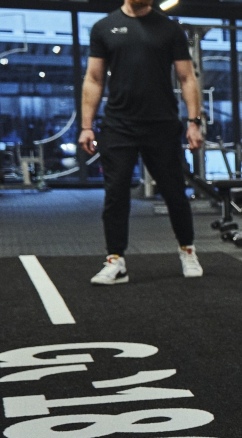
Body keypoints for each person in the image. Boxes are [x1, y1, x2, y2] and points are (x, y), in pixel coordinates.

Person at [81, 0, 205, 286]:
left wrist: (194, 121)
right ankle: (116, 261)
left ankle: (187, 250)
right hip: (118, 125)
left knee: (174, 192)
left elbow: (187, 77)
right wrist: (87, 126)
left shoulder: (169, 29)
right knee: (115, 193)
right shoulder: (103, 28)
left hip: (161, 124)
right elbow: (94, 78)